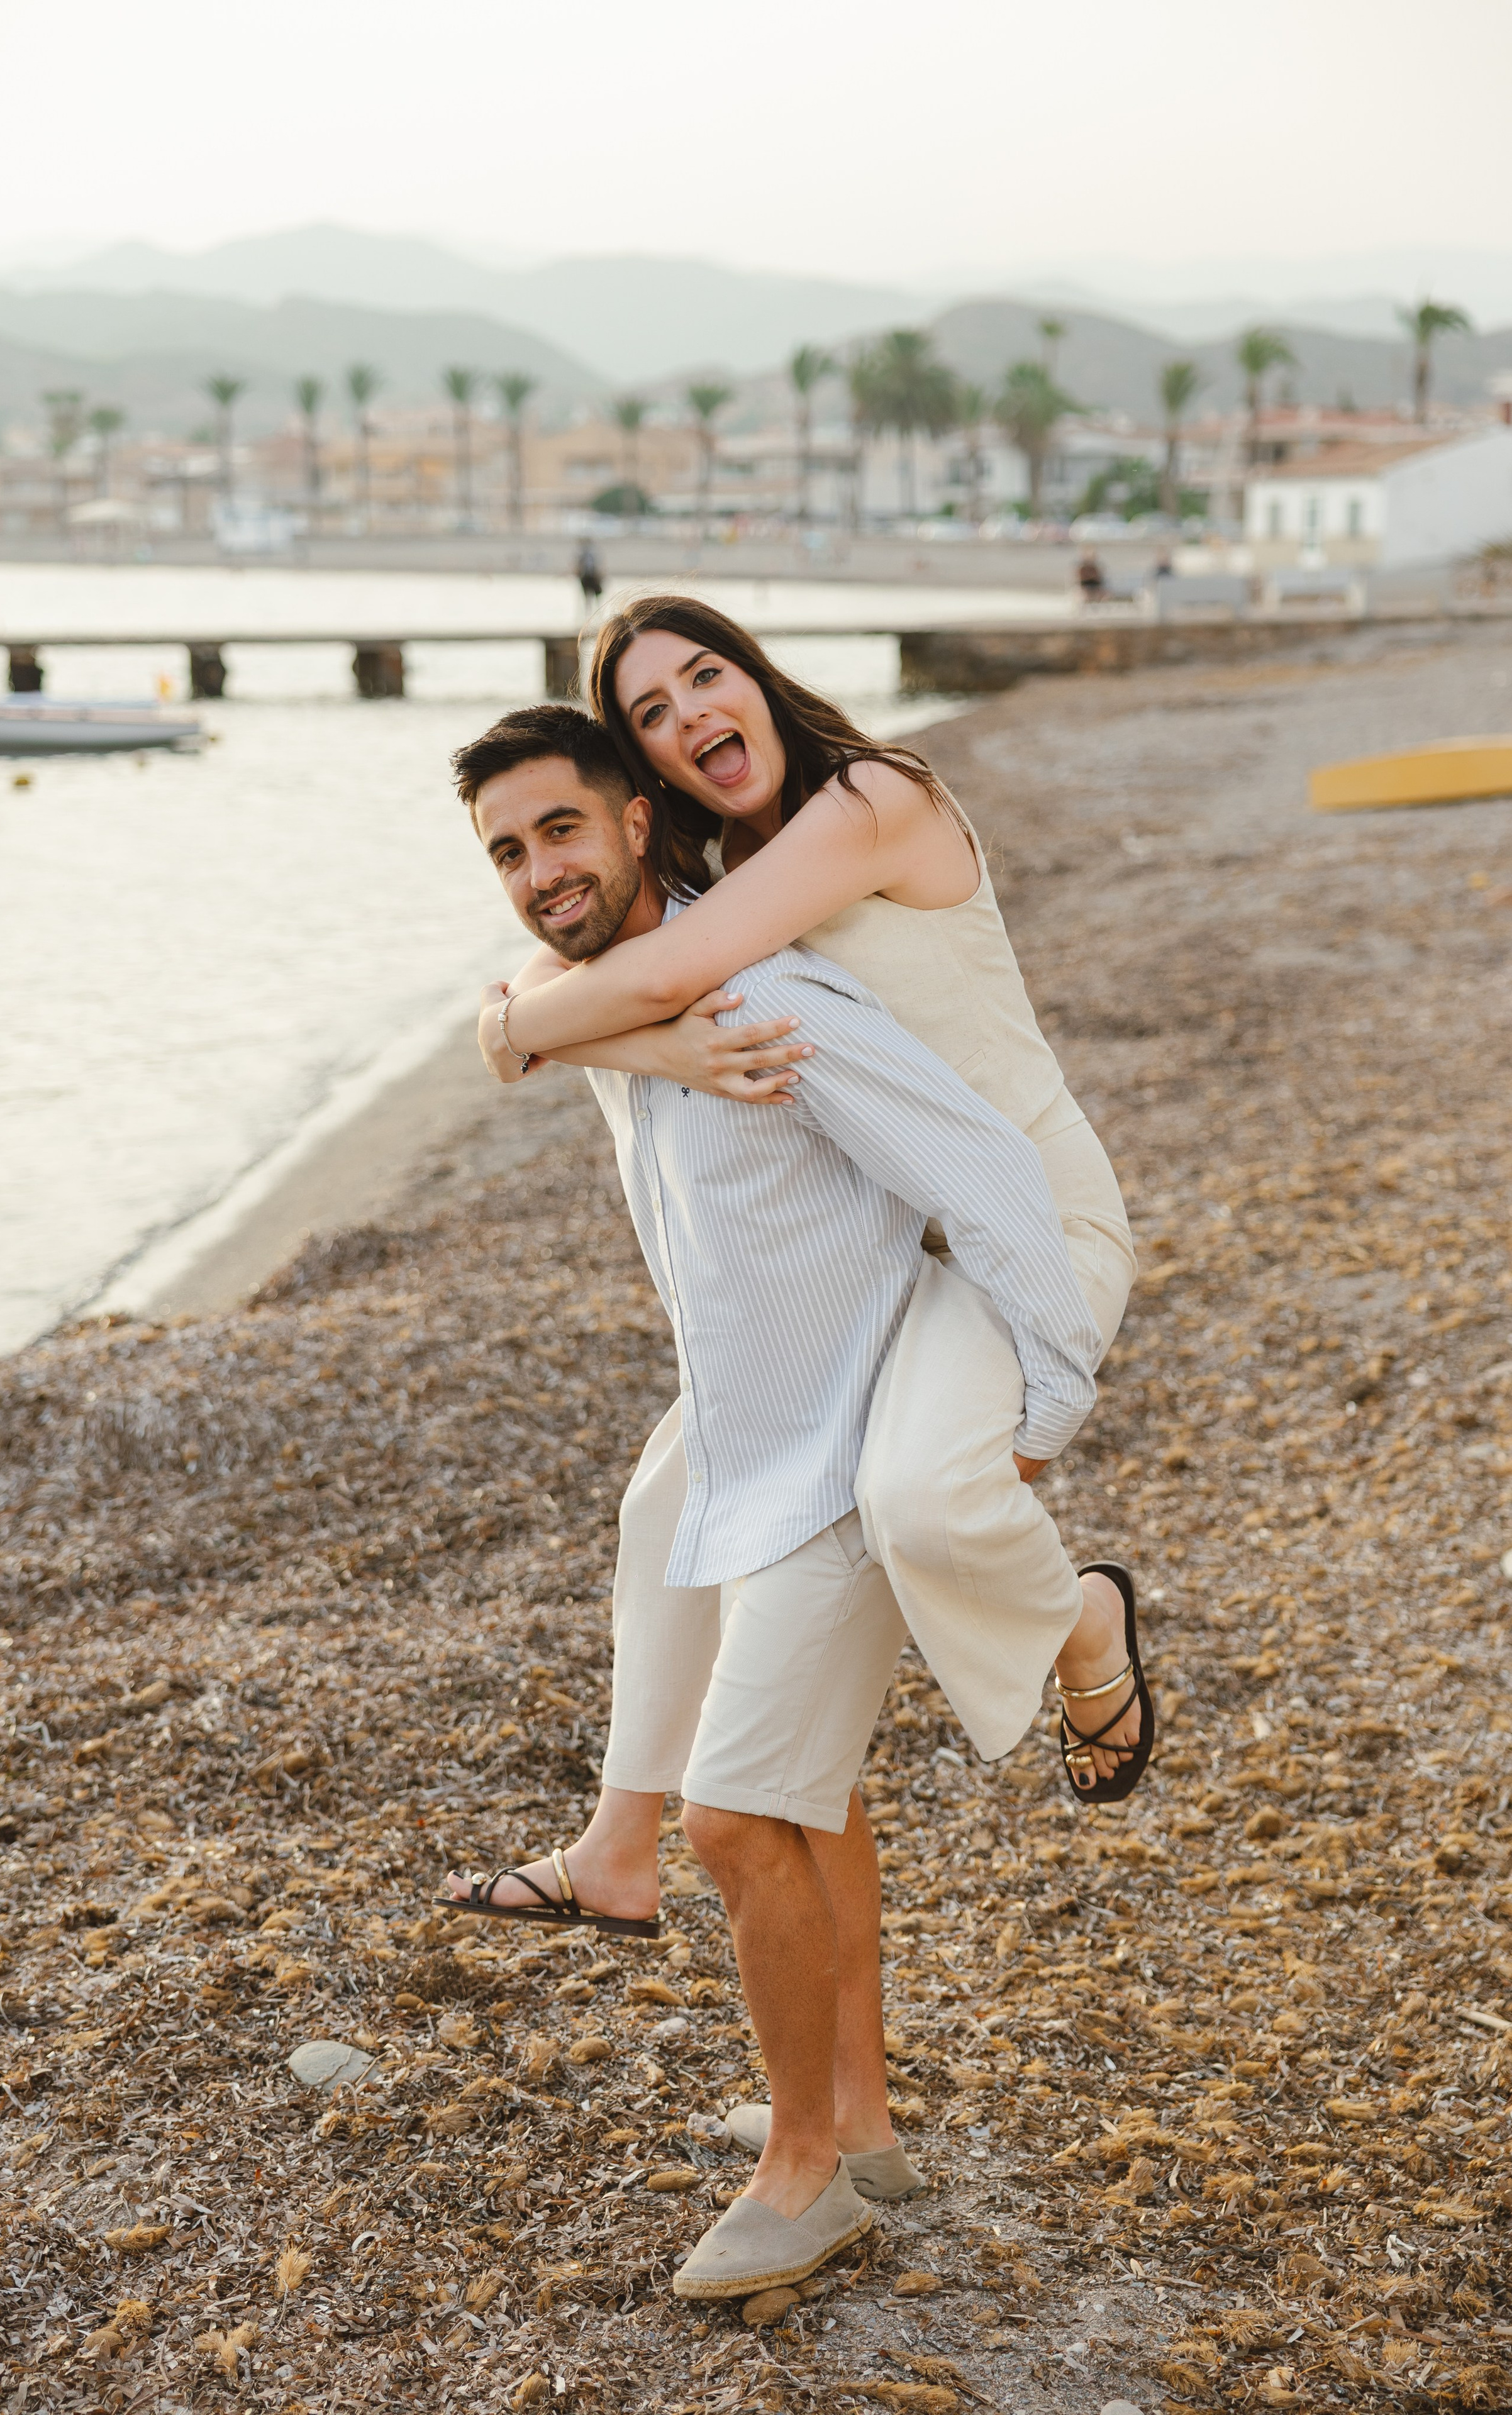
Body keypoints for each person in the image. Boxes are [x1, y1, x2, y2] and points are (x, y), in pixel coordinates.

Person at [445, 706, 1116, 2298]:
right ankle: (859, 2125)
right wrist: (637, 1037)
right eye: (506, 851)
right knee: (807, 1796)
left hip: (843, 1457)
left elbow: (983, 1170)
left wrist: (1040, 1405)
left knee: (738, 1815)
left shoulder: (774, 996)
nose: (541, 872)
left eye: (561, 830)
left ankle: (804, 2173)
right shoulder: (635, 998)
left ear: (633, 817)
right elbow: (521, 1009)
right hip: (751, 1446)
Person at [468, 596, 1144, 1857]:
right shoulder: (723, 875)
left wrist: (515, 1037)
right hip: (897, 1245)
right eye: (650, 716)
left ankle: (1083, 1623)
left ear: (757, 674)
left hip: (1029, 1217)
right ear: (644, 769)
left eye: (705, 677)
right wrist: (542, 1027)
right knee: (670, 1494)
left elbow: (630, 982)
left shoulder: (873, 800)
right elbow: (552, 981)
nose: (691, 719)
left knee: (918, 1505)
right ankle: (618, 1847)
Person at [576, 540, 603, 608]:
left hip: (593, 577)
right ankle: (589, 610)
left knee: (596, 595)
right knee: (587, 595)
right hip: (586, 577)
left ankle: (597, 609)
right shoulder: (582, 555)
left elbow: (599, 567)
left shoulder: (594, 555)